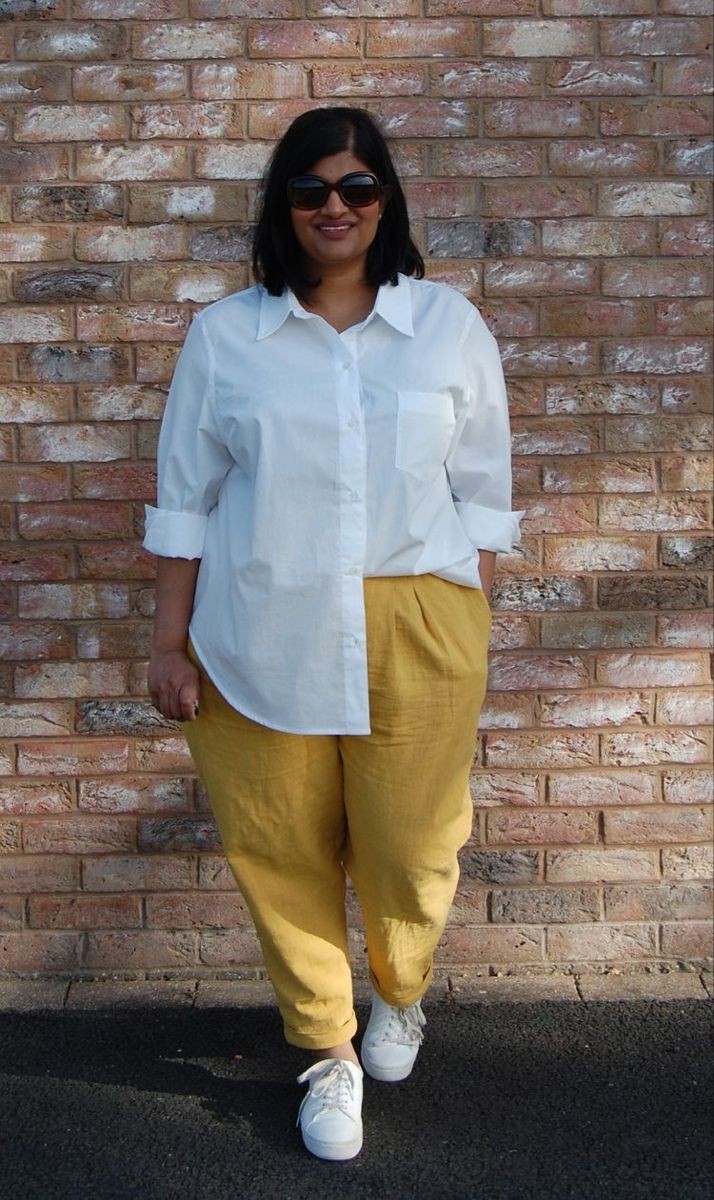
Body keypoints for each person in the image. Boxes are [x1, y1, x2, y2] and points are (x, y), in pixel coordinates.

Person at [144, 105, 523, 1162]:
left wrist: (466, 617)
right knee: (279, 847)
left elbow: (484, 494)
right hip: (261, 620)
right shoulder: (228, 337)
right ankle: (326, 1048)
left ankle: (400, 990)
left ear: (385, 199)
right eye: (310, 189)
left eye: (356, 186)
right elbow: (184, 500)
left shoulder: (447, 327)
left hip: (419, 624)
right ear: (284, 206)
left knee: (413, 847)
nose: (334, 207)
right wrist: (168, 644)